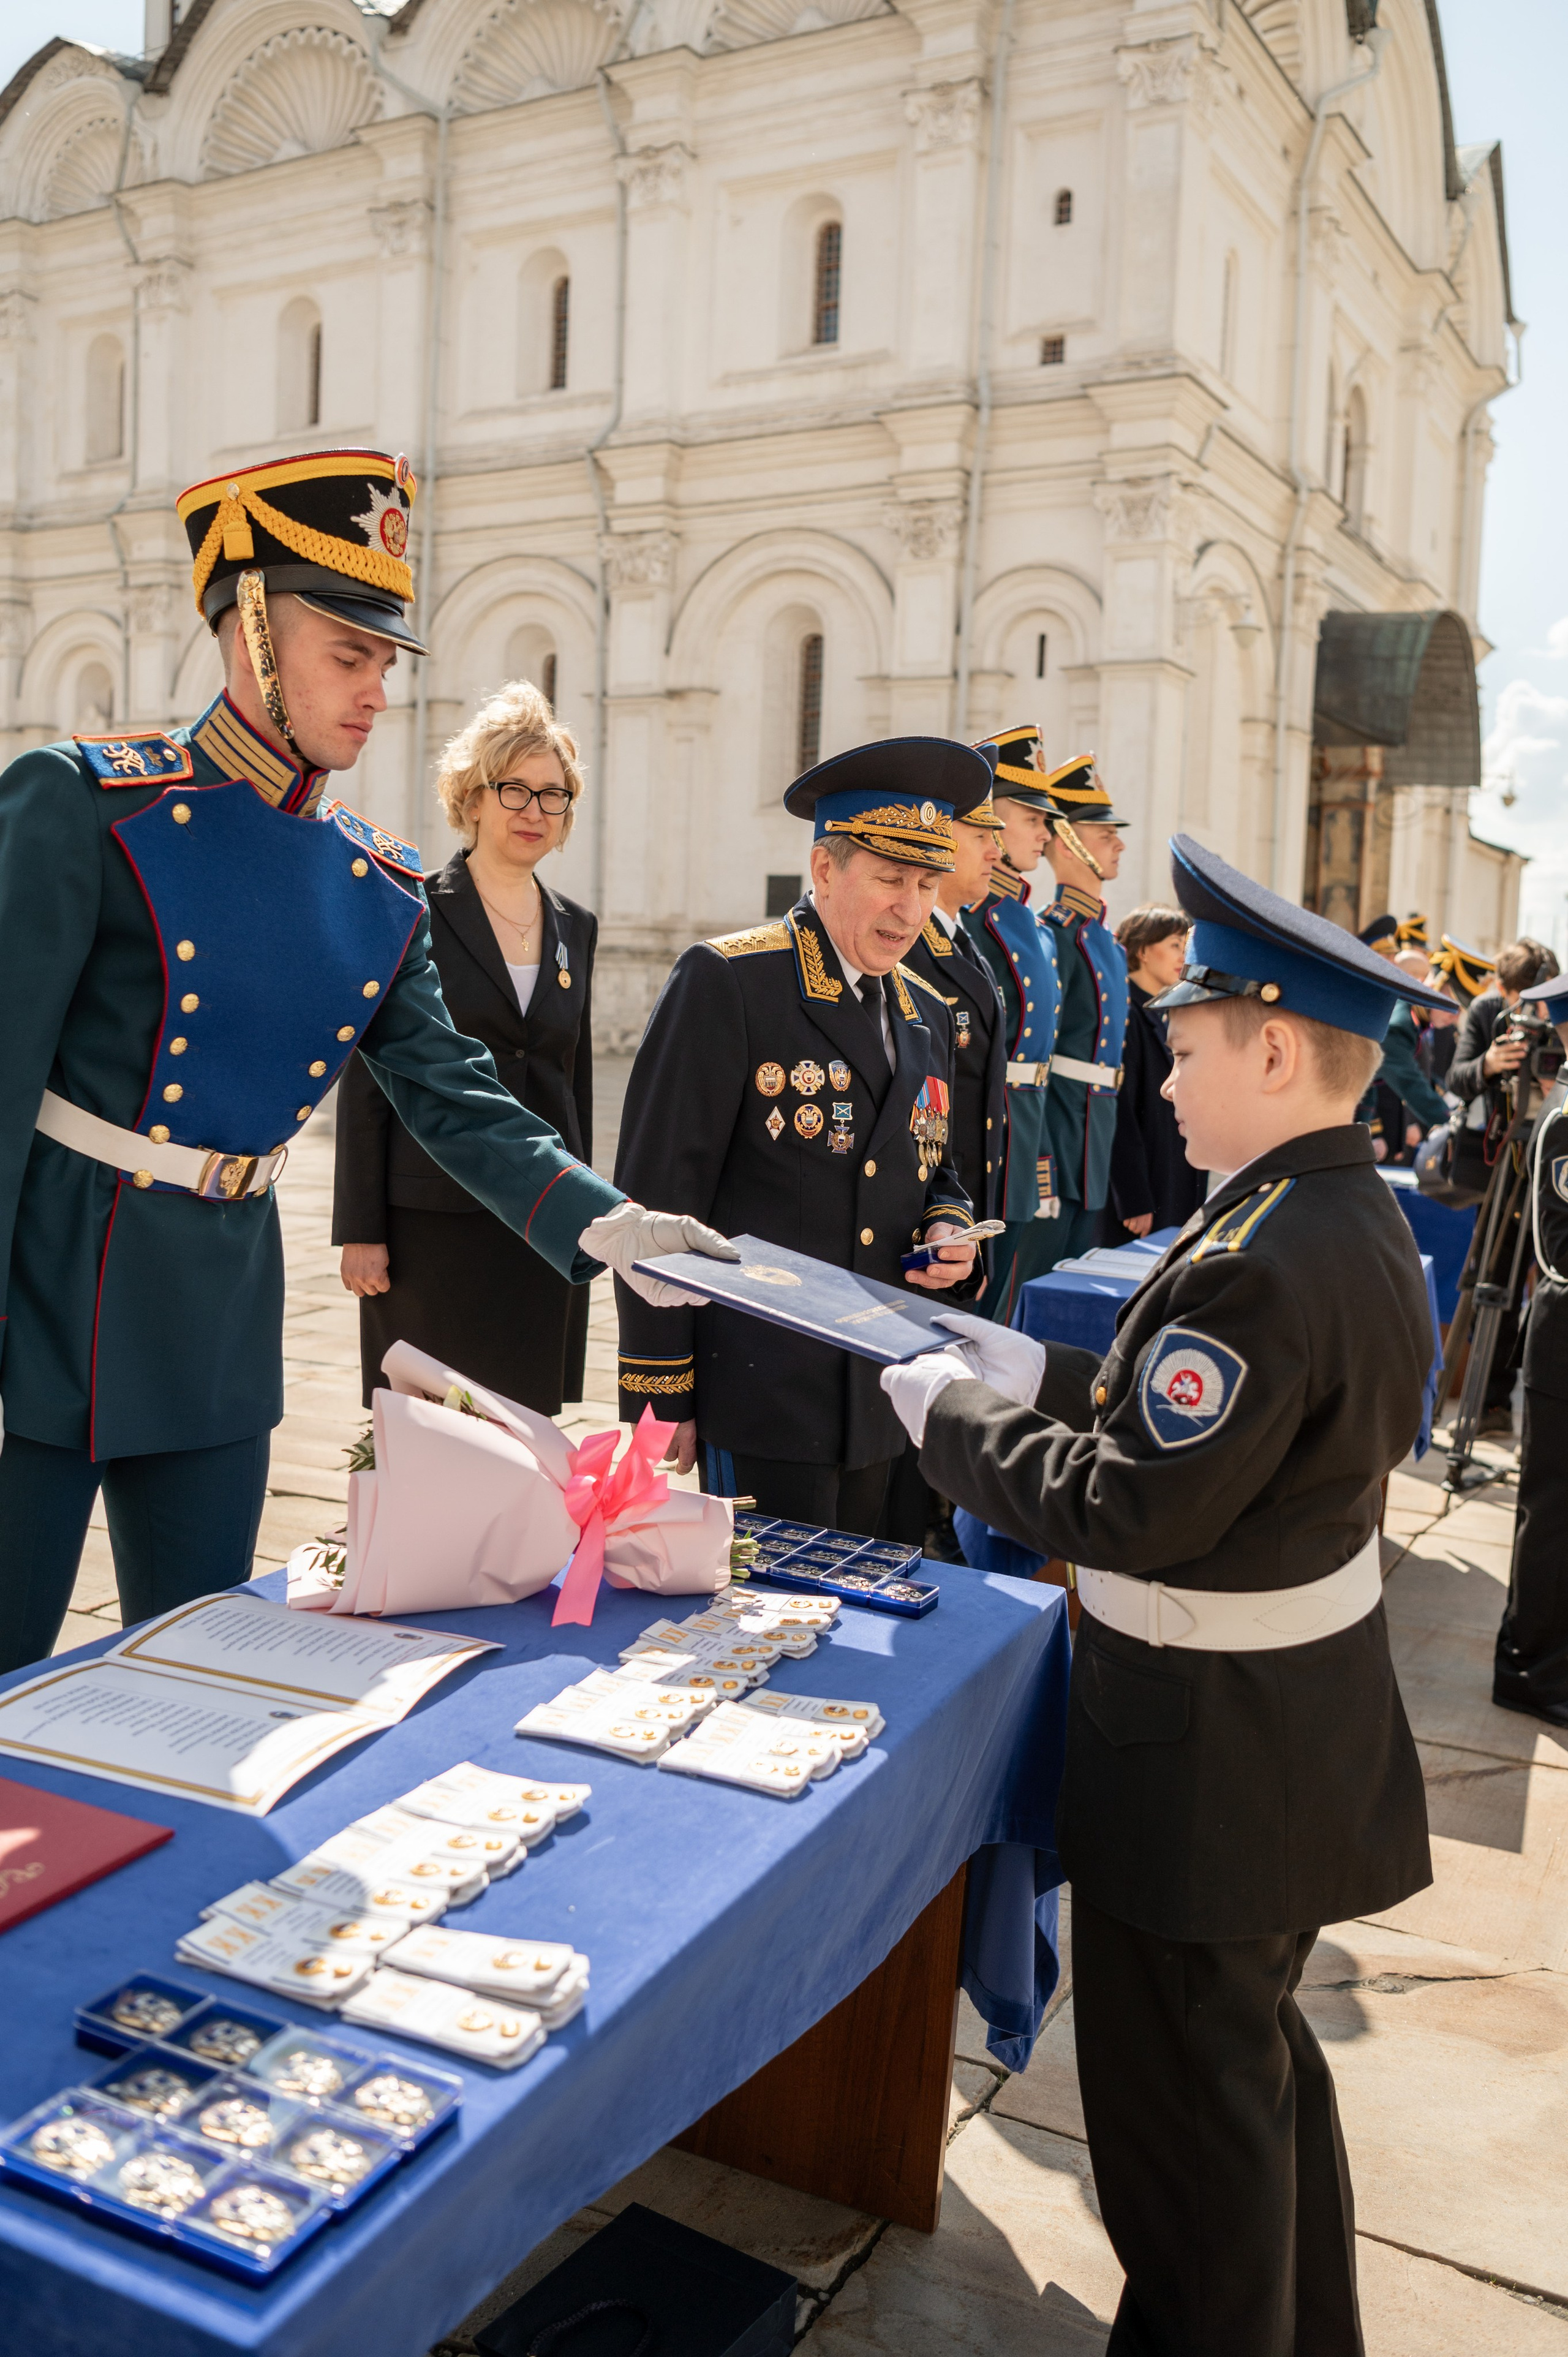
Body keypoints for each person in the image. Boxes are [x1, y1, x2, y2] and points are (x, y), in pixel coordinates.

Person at [0, 446, 731, 1670]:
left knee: (194, 1672)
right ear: (247, 632)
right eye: (348, 654)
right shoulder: (88, 808)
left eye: (384, 661)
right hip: (51, 1288)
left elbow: (454, 1096)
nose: (376, 690)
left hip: (220, 1313)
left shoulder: (373, 887)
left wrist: (607, 1225)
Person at [881, 835, 1447, 2357]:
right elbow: (1204, 1434)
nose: (1164, 1081)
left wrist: (950, 1415)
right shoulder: (1323, 1211)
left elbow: (1129, 1504)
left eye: (1184, 1050)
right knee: (1255, 2103)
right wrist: (1035, 1370)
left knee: (1182, 2156)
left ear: (1271, 1046)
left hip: (1206, 1767)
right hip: (1279, 1739)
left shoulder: (1263, 1254)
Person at [612, 738, 988, 1534]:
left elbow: (934, 1167)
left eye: (926, 884)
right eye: (890, 880)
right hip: (764, 1391)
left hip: (890, 1388)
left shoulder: (925, 1010)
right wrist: (658, 1387)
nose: (912, 911)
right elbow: (657, 1196)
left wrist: (950, 1226)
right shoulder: (731, 982)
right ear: (824, 870)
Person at [333, 679, 597, 1415]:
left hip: (541, 1216)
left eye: (554, 795)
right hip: (430, 1221)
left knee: (523, 1428)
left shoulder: (577, 924)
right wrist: (361, 1229)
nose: (534, 811)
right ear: (472, 797)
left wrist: (589, 1204)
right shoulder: (412, 907)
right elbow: (370, 1077)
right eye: (515, 789)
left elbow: (569, 1074)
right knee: (427, 1428)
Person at [890, 767, 1008, 1550]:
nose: (997, 849)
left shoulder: (963, 946)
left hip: (950, 1205)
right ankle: (924, 1508)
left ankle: (929, 1507)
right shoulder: (918, 951)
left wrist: (956, 1209)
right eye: (984, 831)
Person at [967, 724, 1063, 1322]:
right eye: (1031, 817)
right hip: (983, 1126)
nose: (1045, 833)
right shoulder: (974, 918)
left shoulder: (1023, 921)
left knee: (1009, 1287)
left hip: (1025, 1120)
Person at [1494, 968, 1568, 1728]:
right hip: (1563, 1346)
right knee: (1551, 1518)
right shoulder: (1566, 1114)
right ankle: (1527, 1668)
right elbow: (1557, 1249)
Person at [1036, 755, 1131, 1262]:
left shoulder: (1107, 944)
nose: (1119, 844)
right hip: (1062, 1128)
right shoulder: (1055, 935)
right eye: (1104, 834)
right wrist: (1044, 1158)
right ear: (1065, 840)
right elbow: (1037, 1056)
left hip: (1097, 1133)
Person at [1100, 903, 1207, 1245]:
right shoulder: (1125, 1011)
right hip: (1141, 1192)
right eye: (1175, 944)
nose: (1183, 955)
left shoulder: (1168, 1010)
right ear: (1144, 951)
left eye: (1185, 946)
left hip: (1172, 1172)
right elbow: (1120, 1110)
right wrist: (1133, 1197)